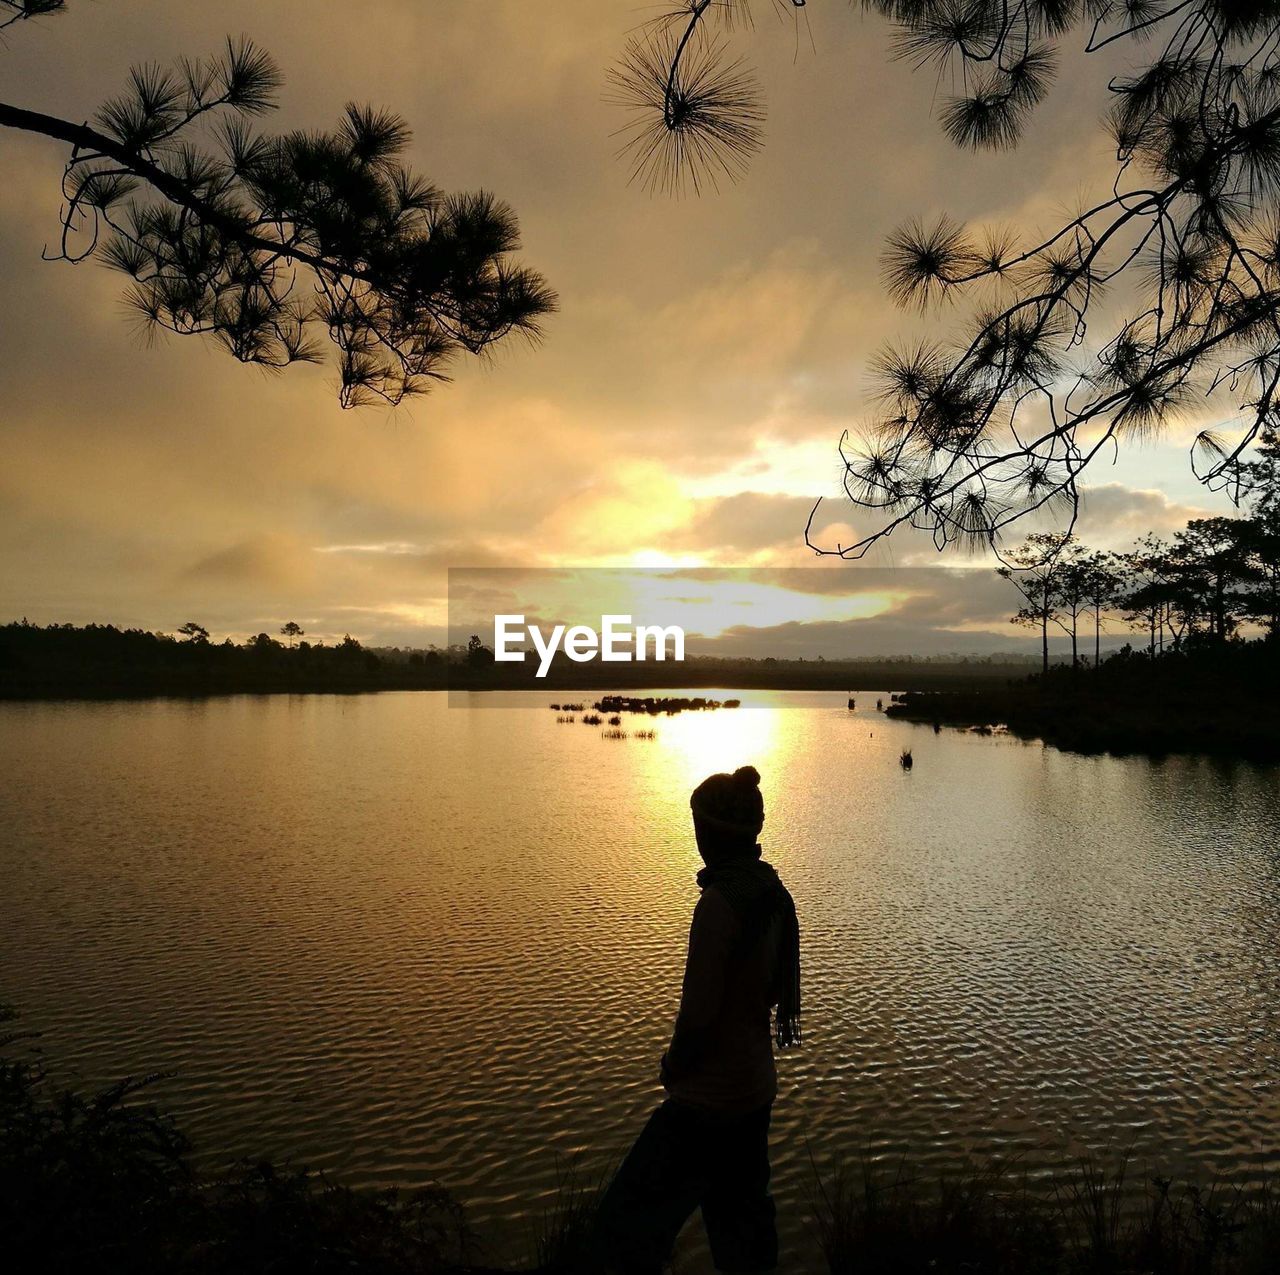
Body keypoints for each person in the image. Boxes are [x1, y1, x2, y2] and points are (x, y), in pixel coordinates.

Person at [589, 765, 801, 1274]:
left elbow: (699, 1017)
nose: (696, 837)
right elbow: (772, 993)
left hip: (708, 1100)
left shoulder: (720, 905)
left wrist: (673, 1066)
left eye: (698, 827)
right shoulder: (772, 895)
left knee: (622, 1229)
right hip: (754, 1090)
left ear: (712, 834)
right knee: (742, 1239)